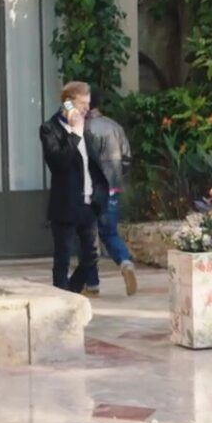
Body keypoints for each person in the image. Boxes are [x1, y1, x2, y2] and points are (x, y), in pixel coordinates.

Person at [39, 81, 109, 294]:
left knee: (91, 256)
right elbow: (58, 163)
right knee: (63, 258)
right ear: (68, 103)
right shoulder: (49, 129)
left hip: (88, 202)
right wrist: (74, 135)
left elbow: (92, 162)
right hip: (66, 204)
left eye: (88, 103)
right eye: (83, 103)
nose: (87, 108)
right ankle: (61, 298)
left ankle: (71, 292)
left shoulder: (85, 127)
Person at [83, 90, 139, 297]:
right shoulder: (114, 126)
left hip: (89, 189)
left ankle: (92, 284)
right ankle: (125, 262)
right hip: (112, 188)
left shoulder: (81, 128)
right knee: (109, 233)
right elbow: (127, 158)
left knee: (87, 237)